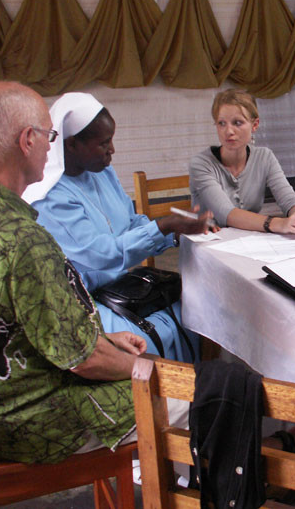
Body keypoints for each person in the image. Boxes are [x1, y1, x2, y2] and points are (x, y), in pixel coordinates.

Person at [0, 81, 151, 463]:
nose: (51, 146)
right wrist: (150, 369)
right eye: (50, 136)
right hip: (39, 422)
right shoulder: (21, 238)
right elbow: (83, 360)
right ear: (28, 140)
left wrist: (106, 342)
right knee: (197, 398)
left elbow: (16, 325)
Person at [25, 92, 210, 362]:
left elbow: (132, 223)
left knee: (194, 309)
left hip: (124, 287)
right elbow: (102, 255)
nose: (112, 150)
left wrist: (175, 233)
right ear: (73, 144)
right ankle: (163, 399)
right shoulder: (51, 197)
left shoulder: (102, 172)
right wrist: (163, 226)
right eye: (104, 143)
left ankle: (196, 390)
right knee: (145, 339)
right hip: (87, 303)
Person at [189, 89, 295, 235]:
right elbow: (226, 213)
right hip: (207, 243)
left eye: (237, 123)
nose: (229, 131)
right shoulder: (200, 163)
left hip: (249, 240)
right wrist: (278, 223)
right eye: (221, 123)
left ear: (255, 125)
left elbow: (288, 199)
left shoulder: (265, 156)